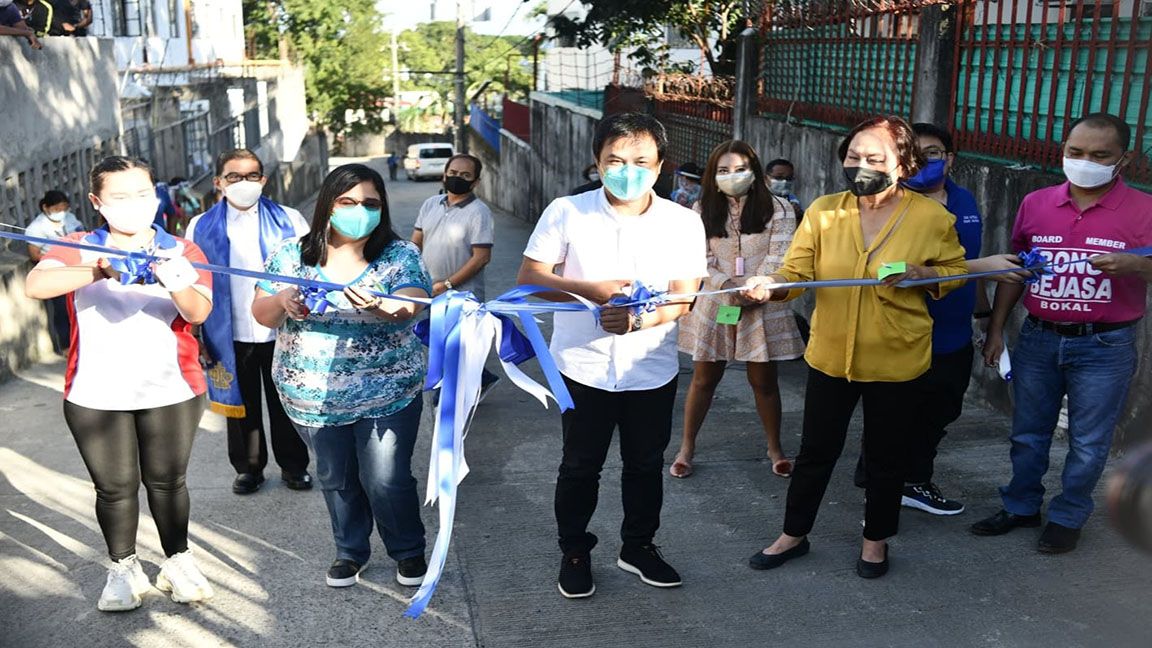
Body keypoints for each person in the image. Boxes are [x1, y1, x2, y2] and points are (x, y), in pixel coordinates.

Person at [741, 116, 969, 579]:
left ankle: (875, 542)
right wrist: (772, 285)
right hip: (831, 357)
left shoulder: (932, 217)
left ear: (903, 164)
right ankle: (794, 534)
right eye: (853, 157)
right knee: (816, 451)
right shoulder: (825, 211)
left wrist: (925, 275)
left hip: (898, 358)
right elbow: (797, 273)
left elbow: (956, 271)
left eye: (875, 159)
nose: (861, 166)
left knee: (887, 457)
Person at [518, 112, 707, 599]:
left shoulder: (683, 222)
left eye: (640, 161)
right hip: (580, 368)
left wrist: (640, 320)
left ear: (660, 165)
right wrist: (588, 291)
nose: (628, 170)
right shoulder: (566, 211)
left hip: (652, 369)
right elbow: (531, 282)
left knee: (645, 464)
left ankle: (638, 547)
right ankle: (575, 551)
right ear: (597, 163)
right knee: (580, 466)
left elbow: (685, 298)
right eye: (615, 160)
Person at [24, 155, 215, 612]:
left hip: (171, 388)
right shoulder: (78, 244)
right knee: (115, 487)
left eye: (143, 194)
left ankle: (177, 560)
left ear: (156, 195)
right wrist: (98, 268)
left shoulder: (182, 249)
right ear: (97, 201)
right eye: (121, 197)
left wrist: (174, 279)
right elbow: (36, 284)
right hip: (96, 391)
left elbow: (198, 312)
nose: (135, 204)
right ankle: (123, 567)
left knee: (168, 482)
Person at [974, 113, 1152, 554]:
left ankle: (1068, 515)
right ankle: (1020, 506)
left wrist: (1138, 267)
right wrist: (997, 331)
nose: (1084, 162)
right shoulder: (1036, 203)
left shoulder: (1144, 211)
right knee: (1027, 431)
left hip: (1104, 345)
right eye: (1075, 152)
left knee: (1089, 442)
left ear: (1124, 159)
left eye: (1099, 155)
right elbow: (1017, 272)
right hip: (1038, 337)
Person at [252, 163, 431, 589]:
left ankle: (407, 550)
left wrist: (380, 305)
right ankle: (350, 551)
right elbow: (261, 313)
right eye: (347, 202)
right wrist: (282, 301)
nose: (359, 211)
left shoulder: (399, 255)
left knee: (386, 480)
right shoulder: (289, 255)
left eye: (370, 203)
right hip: (311, 398)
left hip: (388, 392)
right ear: (327, 205)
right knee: (336, 479)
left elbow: (413, 301)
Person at [671, 141, 804, 479]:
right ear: (713, 177)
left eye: (741, 169)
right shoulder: (702, 209)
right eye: (723, 170)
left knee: (764, 380)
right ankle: (687, 446)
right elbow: (700, 259)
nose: (733, 176)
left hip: (764, 299)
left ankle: (775, 447)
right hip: (717, 301)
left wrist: (764, 283)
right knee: (704, 378)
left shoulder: (781, 209)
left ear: (755, 171)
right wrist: (726, 284)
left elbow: (782, 255)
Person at [187, 149, 313, 496]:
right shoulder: (200, 225)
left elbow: (308, 269)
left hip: (280, 327)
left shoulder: (290, 220)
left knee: (284, 401)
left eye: (251, 176)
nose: (243, 183)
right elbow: (194, 281)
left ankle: (294, 465)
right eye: (234, 177)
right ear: (218, 182)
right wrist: (196, 332)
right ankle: (248, 469)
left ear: (263, 180)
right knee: (241, 405)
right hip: (228, 331)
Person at [412, 152, 499, 397]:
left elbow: (481, 257)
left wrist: (447, 284)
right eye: (452, 173)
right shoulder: (430, 204)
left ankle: (447, 396)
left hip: (461, 294)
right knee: (438, 341)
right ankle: (482, 379)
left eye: (464, 175)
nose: (456, 178)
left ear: (475, 182)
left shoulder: (479, 212)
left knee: (455, 345)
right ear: (444, 174)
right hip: (428, 289)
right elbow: (416, 242)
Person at [24, 190, 84, 353]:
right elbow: (34, 254)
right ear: (46, 207)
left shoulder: (69, 218)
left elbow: (82, 234)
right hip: (55, 272)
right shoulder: (37, 228)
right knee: (62, 310)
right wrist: (60, 258)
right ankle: (66, 346)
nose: (61, 212)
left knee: (81, 306)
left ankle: (83, 342)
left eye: (64, 207)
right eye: (57, 209)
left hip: (78, 268)